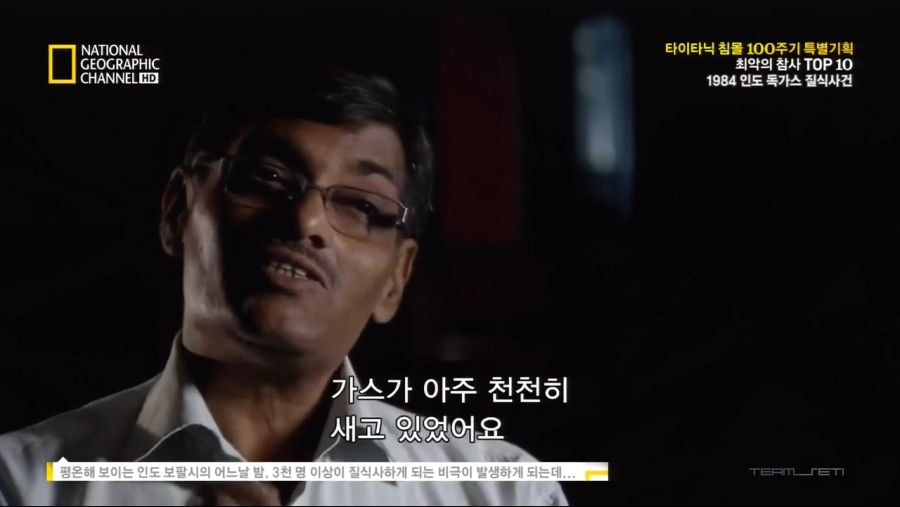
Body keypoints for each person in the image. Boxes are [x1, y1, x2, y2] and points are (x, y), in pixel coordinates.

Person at [0, 67, 568, 505]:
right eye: (268, 177)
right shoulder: (21, 483)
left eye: (361, 205)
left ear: (397, 278)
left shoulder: (504, 491)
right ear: (177, 211)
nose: (306, 221)